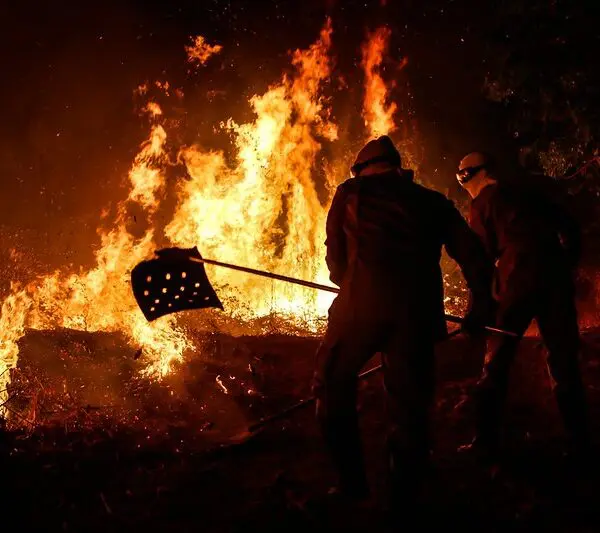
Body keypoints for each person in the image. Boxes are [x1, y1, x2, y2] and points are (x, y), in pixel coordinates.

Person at [312, 136, 493, 510]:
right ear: (398, 169)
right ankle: (405, 495)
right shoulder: (433, 202)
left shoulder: (350, 192)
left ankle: (352, 484)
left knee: (331, 384)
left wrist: (351, 284)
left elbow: (335, 259)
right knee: (409, 407)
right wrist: (480, 305)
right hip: (415, 315)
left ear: (362, 170)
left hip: (359, 309)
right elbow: (473, 255)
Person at [456, 151, 590, 460]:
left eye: (461, 176)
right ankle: (579, 439)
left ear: (469, 176)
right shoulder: (528, 193)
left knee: (497, 359)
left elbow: (480, 260)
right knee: (563, 358)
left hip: (517, 279)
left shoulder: (484, 202)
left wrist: (477, 308)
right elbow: (569, 226)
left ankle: (486, 441)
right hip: (554, 276)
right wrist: (565, 262)